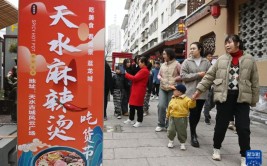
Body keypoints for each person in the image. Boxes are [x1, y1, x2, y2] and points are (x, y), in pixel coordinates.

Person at [192, 34, 259, 166]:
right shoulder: (221, 59)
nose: (227, 45)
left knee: (243, 128)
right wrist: (198, 91)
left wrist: (254, 100)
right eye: (226, 43)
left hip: (242, 98)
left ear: (238, 43)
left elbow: (255, 81)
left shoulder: (249, 59)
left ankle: (245, 155)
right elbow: (209, 76)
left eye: (230, 42)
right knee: (221, 126)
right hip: (224, 97)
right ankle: (216, 148)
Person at [180, 42, 211, 147]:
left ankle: (193, 129)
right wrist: (198, 75)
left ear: (200, 49)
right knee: (193, 113)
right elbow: (183, 76)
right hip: (190, 92)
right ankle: (193, 135)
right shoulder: (186, 62)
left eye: (194, 48)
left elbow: (210, 75)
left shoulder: (206, 62)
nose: (191, 50)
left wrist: (206, 76)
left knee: (198, 113)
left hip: (202, 92)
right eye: (191, 48)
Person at [155, 48, 182, 132]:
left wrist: (175, 79)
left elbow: (182, 75)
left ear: (169, 55)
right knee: (161, 106)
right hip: (162, 88)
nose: (163, 56)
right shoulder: (162, 65)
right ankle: (161, 124)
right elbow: (159, 75)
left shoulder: (177, 64)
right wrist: (160, 78)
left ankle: (169, 125)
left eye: (164, 54)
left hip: (172, 89)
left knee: (171, 107)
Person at [166, 84, 196, 150]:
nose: (173, 91)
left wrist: (193, 100)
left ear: (179, 92)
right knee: (171, 130)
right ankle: (171, 141)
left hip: (182, 118)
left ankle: (182, 143)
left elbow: (191, 106)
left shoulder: (186, 99)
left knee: (182, 131)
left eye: (175, 90)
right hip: (172, 117)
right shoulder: (173, 98)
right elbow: (169, 107)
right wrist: (167, 115)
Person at [124, 56, 150, 127]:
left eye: (139, 62)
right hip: (136, 89)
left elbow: (135, 78)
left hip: (139, 90)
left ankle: (139, 121)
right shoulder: (142, 70)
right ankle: (131, 119)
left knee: (139, 106)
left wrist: (125, 74)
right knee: (132, 105)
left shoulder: (144, 70)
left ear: (143, 63)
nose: (138, 64)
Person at [202, 51, 215, 125]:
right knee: (207, 103)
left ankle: (206, 111)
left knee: (213, 103)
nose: (210, 57)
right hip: (204, 86)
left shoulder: (213, 65)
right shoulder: (203, 65)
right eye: (209, 56)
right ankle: (207, 117)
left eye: (211, 56)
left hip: (212, 86)